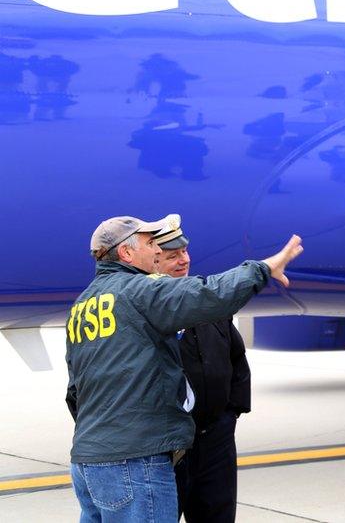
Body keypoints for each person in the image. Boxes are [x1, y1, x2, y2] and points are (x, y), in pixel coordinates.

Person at [65, 214, 302, 523]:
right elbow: (211, 293)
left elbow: (76, 390)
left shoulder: (83, 305)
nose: (157, 252)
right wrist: (263, 268)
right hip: (136, 460)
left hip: (90, 461)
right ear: (126, 253)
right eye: (151, 244)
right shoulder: (139, 291)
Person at [153, 217, 249, 523]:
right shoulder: (143, 307)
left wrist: (230, 414)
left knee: (218, 515)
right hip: (167, 445)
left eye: (184, 253)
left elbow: (236, 358)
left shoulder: (206, 300)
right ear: (154, 260)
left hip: (214, 439)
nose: (183, 261)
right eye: (172, 256)